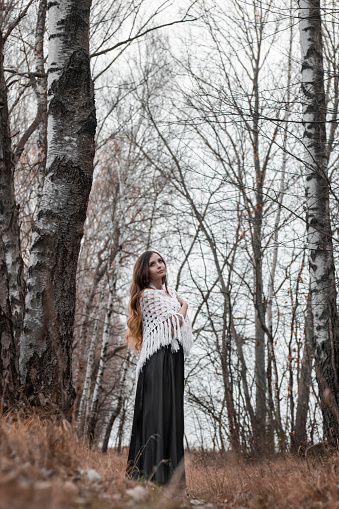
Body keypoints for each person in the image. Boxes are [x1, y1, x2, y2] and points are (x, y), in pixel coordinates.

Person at [126, 250, 193, 484]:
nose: (159, 266)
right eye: (153, 264)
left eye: (161, 261)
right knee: (156, 414)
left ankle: (170, 481)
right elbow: (174, 323)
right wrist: (184, 307)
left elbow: (178, 327)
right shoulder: (147, 296)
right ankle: (149, 478)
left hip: (173, 358)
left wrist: (179, 307)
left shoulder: (171, 295)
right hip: (157, 360)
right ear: (145, 273)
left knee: (171, 415)